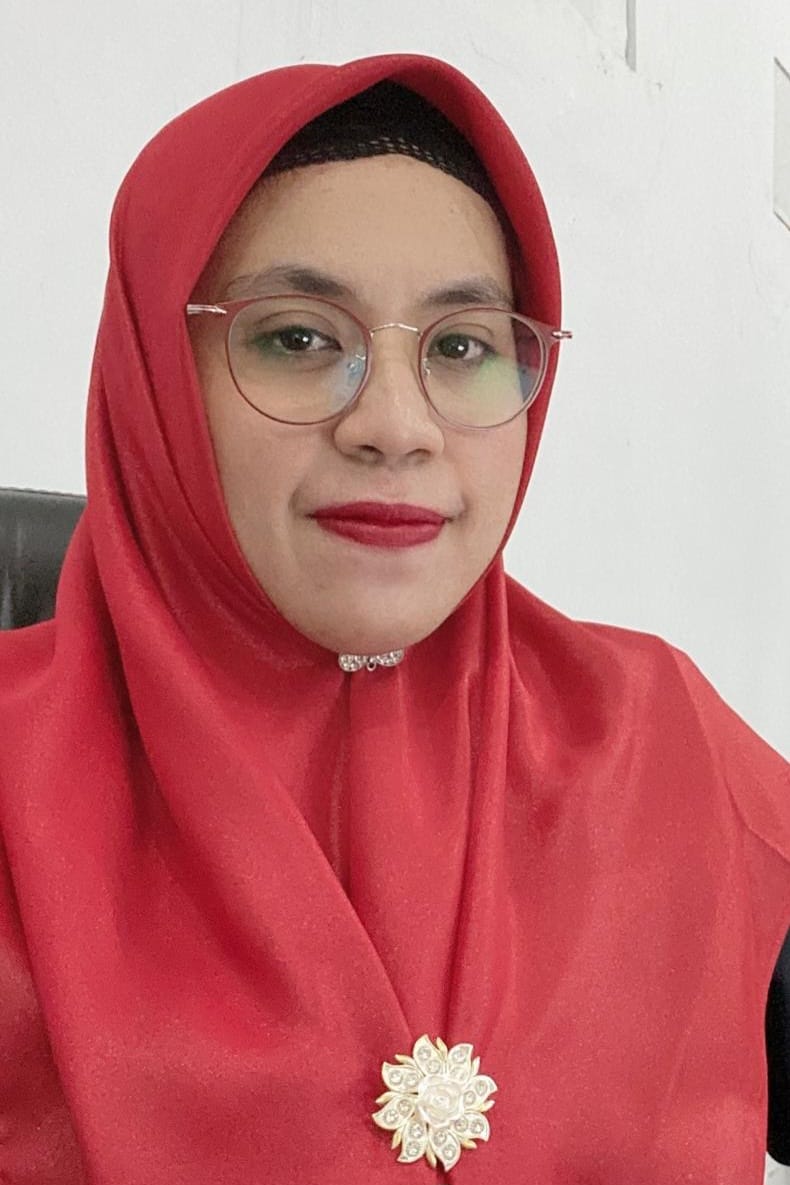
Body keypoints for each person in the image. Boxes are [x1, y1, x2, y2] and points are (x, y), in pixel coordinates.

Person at [0, 52, 788, 1185]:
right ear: (154, 379)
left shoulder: (659, 743)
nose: (395, 425)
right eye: (297, 337)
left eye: (462, 347)